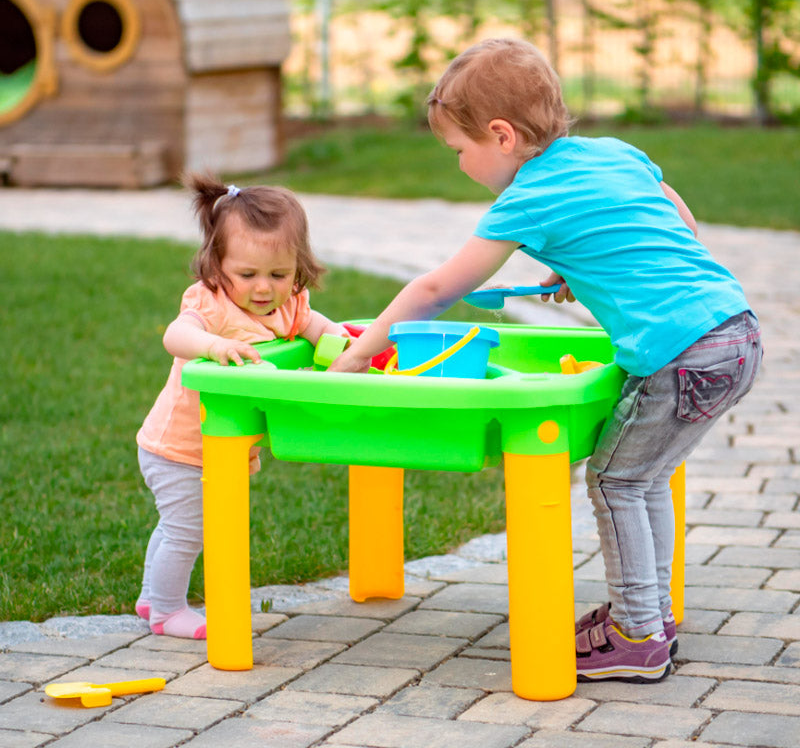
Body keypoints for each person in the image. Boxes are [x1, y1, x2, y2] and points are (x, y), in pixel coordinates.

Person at [329, 37, 762, 682]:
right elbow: (678, 222)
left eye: (459, 150)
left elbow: (437, 289)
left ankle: (637, 635)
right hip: (736, 330)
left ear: (501, 136)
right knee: (643, 478)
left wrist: (361, 354)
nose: (459, 166)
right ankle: (650, 615)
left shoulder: (525, 198)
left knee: (615, 480)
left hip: (681, 352)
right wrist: (585, 266)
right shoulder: (616, 154)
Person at [135, 172, 347, 639]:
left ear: (299, 268)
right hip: (180, 446)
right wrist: (212, 346)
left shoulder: (290, 304)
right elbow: (176, 336)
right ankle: (168, 610)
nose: (264, 288)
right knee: (188, 530)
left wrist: (348, 342)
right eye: (247, 275)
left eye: (279, 274)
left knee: (178, 526)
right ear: (217, 266)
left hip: (224, 445)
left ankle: (152, 598)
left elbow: (319, 328)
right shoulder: (210, 305)